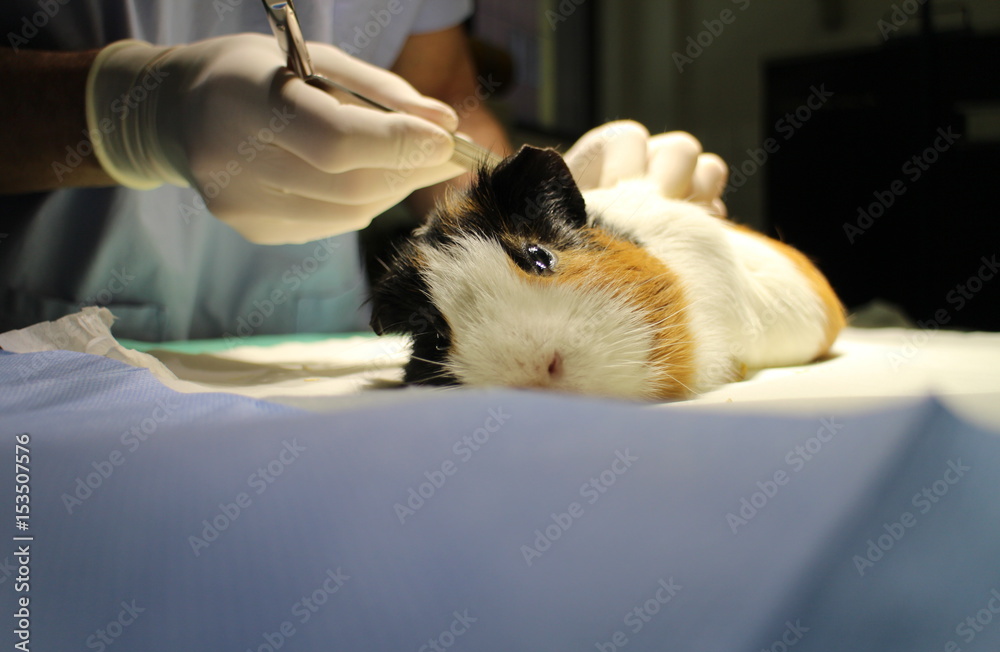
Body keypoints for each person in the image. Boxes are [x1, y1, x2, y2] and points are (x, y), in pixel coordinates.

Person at [0, 0, 727, 341]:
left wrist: (528, 202)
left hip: (308, 346)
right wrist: (132, 115)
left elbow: (442, 100)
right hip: (45, 361)